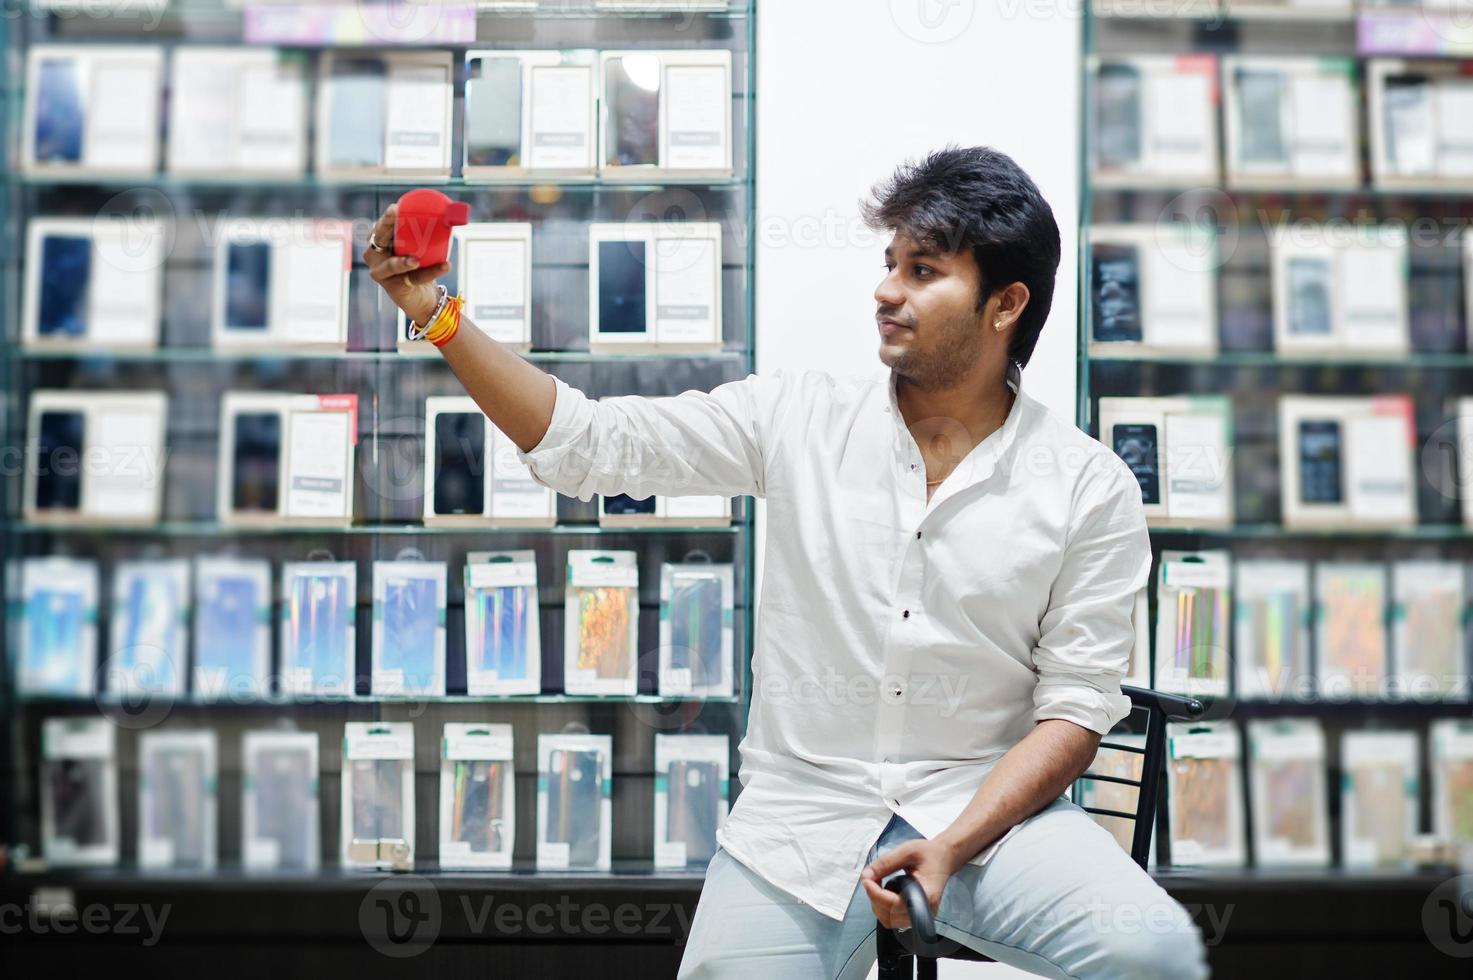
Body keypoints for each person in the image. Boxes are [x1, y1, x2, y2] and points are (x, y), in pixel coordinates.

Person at [363, 145, 1210, 980]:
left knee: (1155, 950)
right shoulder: (798, 419)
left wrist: (952, 845)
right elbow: (589, 444)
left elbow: (1072, 712)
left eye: (923, 271)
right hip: (800, 819)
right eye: (889, 264)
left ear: (1004, 305)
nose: (886, 290)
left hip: (986, 819)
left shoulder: (1084, 485)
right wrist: (437, 314)